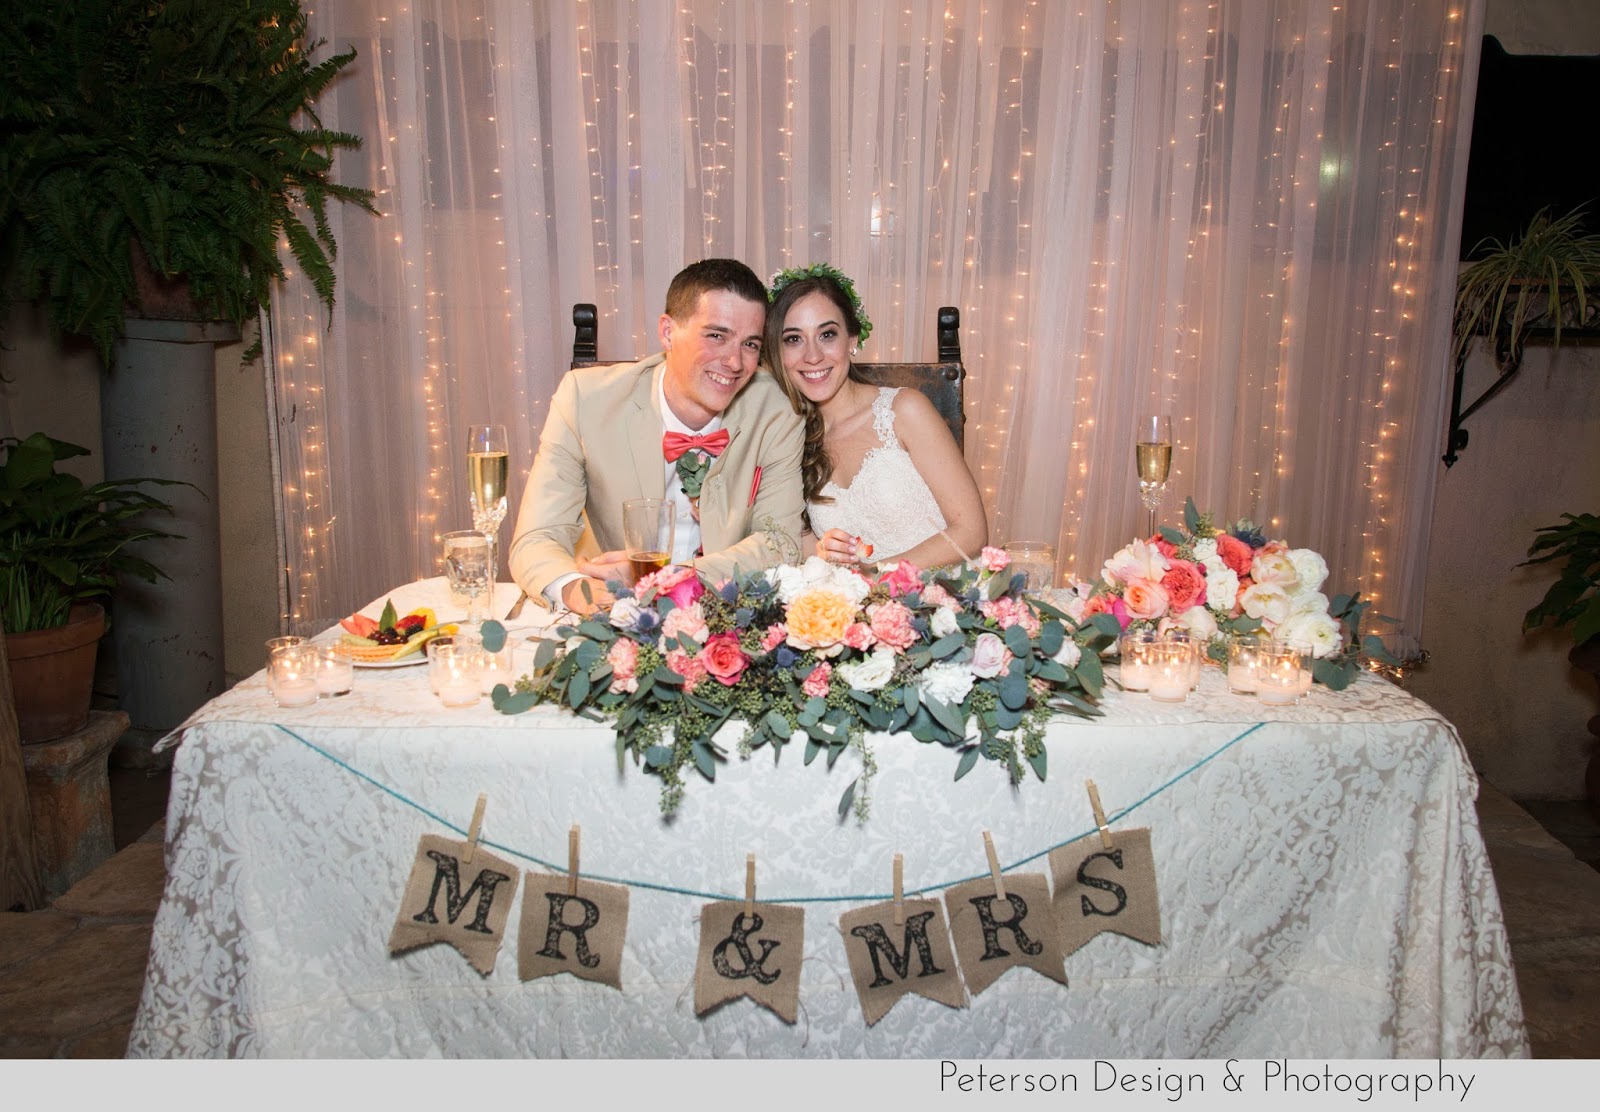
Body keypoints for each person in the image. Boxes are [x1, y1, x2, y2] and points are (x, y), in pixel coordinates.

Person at [509, 259, 805, 614]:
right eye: (716, 336)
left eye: (751, 344)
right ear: (667, 332)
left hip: (728, 609)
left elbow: (781, 542)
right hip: (618, 612)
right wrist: (577, 590)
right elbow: (536, 537)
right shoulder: (585, 400)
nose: (735, 362)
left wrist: (674, 579)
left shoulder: (776, 409)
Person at [765, 263, 987, 568]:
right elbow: (800, 545)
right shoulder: (789, 439)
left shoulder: (904, 411)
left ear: (853, 339)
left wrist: (875, 576)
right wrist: (822, 552)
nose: (812, 356)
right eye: (793, 339)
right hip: (855, 608)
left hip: (945, 598)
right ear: (777, 353)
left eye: (827, 334)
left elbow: (971, 533)